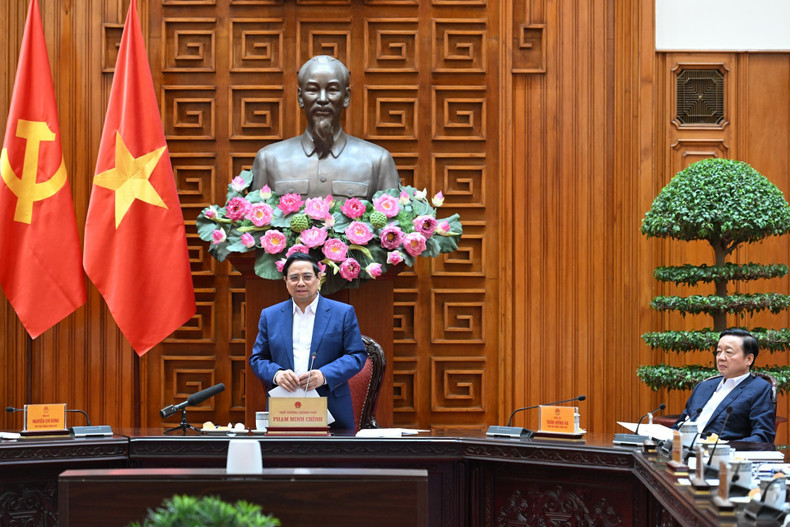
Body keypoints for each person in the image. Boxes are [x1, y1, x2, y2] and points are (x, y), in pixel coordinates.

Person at [251, 55, 400, 200]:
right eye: (313, 90)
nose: (322, 99)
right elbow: (252, 221)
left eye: (332, 90)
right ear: (301, 97)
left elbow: (393, 222)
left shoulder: (377, 161)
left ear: (346, 97)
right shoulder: (269, 159)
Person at [248, 252, 367, 431]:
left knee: (333, 458)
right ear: (285, 281)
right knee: (283, 457)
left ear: (319, 278)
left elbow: (356, 355)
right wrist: (277, 374)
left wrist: (324, 375)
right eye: (294, 278)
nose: (301, 283)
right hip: (284, 409)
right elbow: (257, 359)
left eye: (307, 277)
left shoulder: (342, 313)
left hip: (331, 409)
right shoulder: (270, 315)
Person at [672, 328, 775, 443]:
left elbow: (763, 437)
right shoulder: (704, 386)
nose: (721, 357)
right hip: (682, 450)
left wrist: (723, 447)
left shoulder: (759, 388)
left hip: (719, 456)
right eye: (718, 352)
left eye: (729, 352)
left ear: (748, 359)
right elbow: (678, 426)